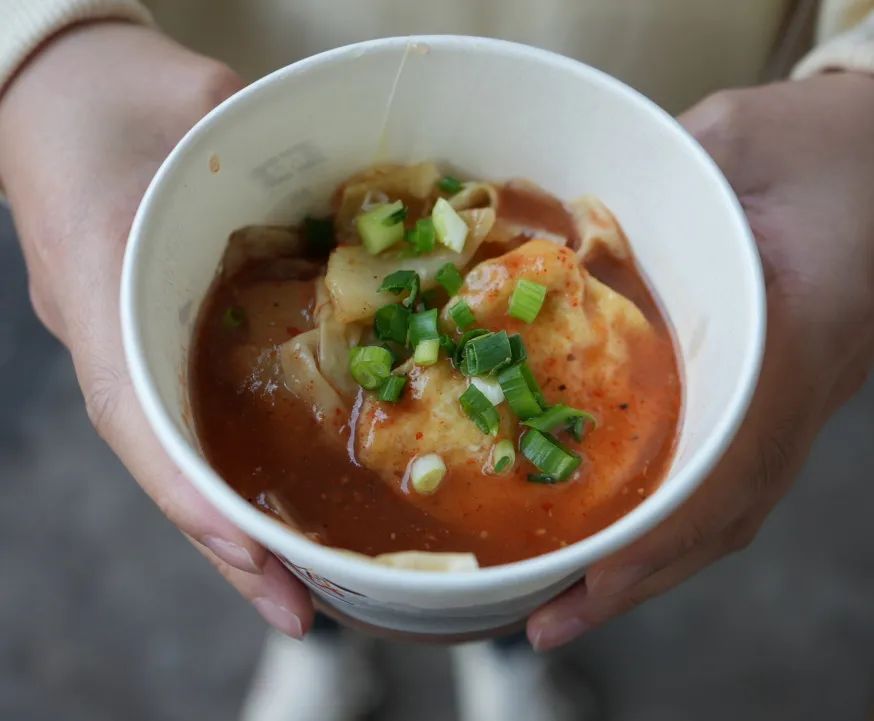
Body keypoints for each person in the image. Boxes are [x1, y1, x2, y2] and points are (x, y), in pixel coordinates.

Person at [1, 1, 872, 719]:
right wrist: (43, 49)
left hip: (670, 122)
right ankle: (319, 645)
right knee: (292, 555)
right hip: (217, 112)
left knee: (527, 589)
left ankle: (510, 659)